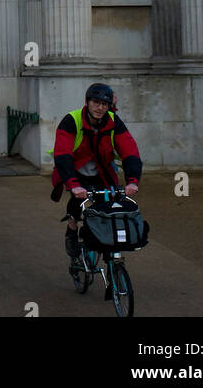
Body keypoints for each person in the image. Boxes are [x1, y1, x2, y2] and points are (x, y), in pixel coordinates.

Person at [51, 82, 142, 268]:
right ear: (87, 102)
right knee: (78, 203)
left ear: (109, 106)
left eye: (104, 104)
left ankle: (106, 248)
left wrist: (133, 181)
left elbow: (130, 151)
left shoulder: (113, 121)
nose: (100, 108)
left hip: (103, 173)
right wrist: (73, 184)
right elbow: (63, 155)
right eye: (96, 102)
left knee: (111, 206)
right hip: (75, 172)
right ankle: (71, 227)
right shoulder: (71, 120)